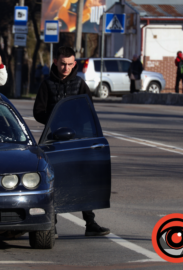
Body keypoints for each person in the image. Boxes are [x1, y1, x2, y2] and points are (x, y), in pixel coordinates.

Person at [33, 46, 110, 237]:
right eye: (62, 64)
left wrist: (77, 123)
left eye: (69, 64)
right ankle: (53, 224)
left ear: (74, 64)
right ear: (56, 63)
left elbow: (88, 110)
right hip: (53, 140)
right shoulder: (47, 84)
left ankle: (90, 223)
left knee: (83, 179)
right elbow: (38, 111)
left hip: (77, 139)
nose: (65, 68)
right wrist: (54, 121)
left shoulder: (80, 84)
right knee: (53, 181)